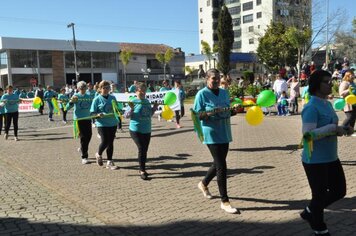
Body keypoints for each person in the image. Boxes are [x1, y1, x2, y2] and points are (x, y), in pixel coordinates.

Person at [300, 70, 353, 235]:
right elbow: (307, 136)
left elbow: (331, 128)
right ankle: (320, 228)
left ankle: (309, 212)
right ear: (317, 85)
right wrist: (332, 129)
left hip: (331, 156)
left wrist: (342, 129)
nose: (331, 84)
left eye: (331, 81)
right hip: (315, 159)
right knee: (320, 195)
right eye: (327, 82)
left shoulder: (327, 104)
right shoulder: (311, 107)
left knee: (339, 191)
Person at [193, 68, 240, 214]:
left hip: (224, 131)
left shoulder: (225, 93)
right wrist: (211, 112)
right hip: (211, 133)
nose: (216, 80)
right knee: (222, 166)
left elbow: (227, 111)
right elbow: (197, 115)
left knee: (218, 162)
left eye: (218, 78)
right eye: (213, 78)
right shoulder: (201, 94)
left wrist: (234, 110)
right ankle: (224, 201)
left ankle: (203, 183)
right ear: (207, 79)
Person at [125, 82, 158, 180]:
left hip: (147, 129)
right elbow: (126, 116)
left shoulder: (147, 101)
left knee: (144, 150)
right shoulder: (133, 101)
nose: (143, 92)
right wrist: (131, 109)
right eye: (141, 90)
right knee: (141, 148)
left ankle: (142, 168)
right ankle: (142, 170)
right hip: (136, 129)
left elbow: (149, 114)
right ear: (136, 91)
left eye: (145, 91)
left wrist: (154, 108)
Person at [90, 80, 119, 170]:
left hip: (112, 123)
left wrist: (119, 112)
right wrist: (97, 115)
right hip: (102, 124)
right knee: (105, 141)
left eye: (107, 88)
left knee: (111, 142)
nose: (106, 89)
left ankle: (109, 162)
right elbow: (92, 113)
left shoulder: (113, 98)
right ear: (100, 89)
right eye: (104, 88)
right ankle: (98, 154)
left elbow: (117, 109)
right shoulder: (96, 99)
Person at [67, 81, 93, 164]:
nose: (82, 89)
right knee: (83, 137)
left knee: (89, 136)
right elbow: (67, 107)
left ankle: (82, 148)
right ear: (78, 88)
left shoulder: (88, 96)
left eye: (84, 88)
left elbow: (92, 106)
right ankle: (84, 157)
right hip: (79, 119)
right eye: (81, 88)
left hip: (88, 118)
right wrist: (71, 102)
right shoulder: (75, 96)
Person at [339, 70, 356, 137]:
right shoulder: (344, 83)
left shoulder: (353, 83)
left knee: (353, 117)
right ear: (348, 75)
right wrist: (348, 90)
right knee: (350, 117)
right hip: (347, 103)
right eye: (352, 74)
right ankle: (341, 128)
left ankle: (349, 131)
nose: (354, 75)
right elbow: (341, 93)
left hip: (354, 102)